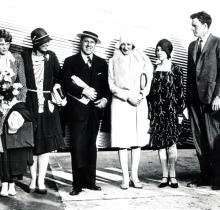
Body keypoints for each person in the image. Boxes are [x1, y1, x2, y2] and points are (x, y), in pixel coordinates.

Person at [61, 31, 110, 195]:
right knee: (77, 147)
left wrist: (104, 99)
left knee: (91, 146)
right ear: (81, 43)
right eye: (86, 41)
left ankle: (90, 181)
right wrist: (83, 91)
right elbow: (65, 83)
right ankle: (77, 184)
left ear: (96, 45)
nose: (89, 45)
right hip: (77, 113)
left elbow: (106, 88)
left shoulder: (102, 63)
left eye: (92, 42)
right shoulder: (70, 62)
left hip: (95, 112)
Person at [22, 28, 66, 194]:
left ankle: (41, 181)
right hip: (30, 105)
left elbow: (59, 77)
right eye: (43, 41)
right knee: (32, 144)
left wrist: (56, 89)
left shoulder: (52, 56)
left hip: (47, 107)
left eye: (48, 41)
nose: (47, 43)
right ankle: (33, 180)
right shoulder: (25, 57)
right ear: (35, 42)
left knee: (45, 145)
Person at [108, 35, 153, 189]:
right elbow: (111, 85)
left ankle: (134, 175)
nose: (125, 47)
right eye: (123, 44)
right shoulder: (113, 61)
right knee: (123, 141)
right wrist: (127, 97)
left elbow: (148, 78)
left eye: (129, 44)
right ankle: (125, 178)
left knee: (137, 140)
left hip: (138, 103)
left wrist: (141, 95)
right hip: (121, 102)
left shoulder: (141, 60)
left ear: (133, 45)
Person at [186, 11, 220, 190]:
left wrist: (218, 96)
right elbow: (190, 76)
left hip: (211, 99)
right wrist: (186, 102)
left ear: (205, 26)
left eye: (195, 25)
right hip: (194, 101)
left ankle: (217, 178)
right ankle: (204, 175)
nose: (192, 28)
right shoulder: (192, 46)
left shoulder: (217, 43)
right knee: (199, 139)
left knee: (213, 139)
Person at [0, 29, 33, 197]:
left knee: (13, 145)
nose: (3, 46)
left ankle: (12, 181)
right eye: (0, 43)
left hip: (13, 106)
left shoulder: (17, 59)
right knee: (1, 148)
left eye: (6, 43)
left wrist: (16, 102)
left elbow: (23, 85)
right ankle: (3, 182)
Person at [148, 39, 185, 188]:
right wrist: (150, 111)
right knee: (161, 145)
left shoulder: (176, 68)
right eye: (157, 50)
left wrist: (180, 113)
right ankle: (164, 176)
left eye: (161, 50)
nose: (158, 52)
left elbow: (180, 92)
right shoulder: (153, 68)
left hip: (171, 111)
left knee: (172, 145)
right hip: (158, 112)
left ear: (168, 51)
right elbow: (150, 93)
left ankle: (173, 175)